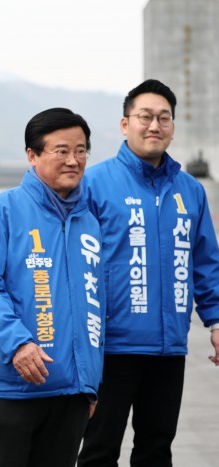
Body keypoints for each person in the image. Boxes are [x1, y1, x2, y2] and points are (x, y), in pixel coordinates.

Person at [78, 79, 219, 467]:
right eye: (145, 117)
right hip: (110, 347)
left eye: (163, 118)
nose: (154, 125)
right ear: (125, 124)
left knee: (157, 451)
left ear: (172, 126)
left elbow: (206, 261)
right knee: (98, 451)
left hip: (168, 348)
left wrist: (216, 320)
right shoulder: (94, 184)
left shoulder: (190, 190)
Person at [0, 108, 105, 467]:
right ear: (32, 155)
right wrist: (18, 344)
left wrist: (90, 382)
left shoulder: (89, 223)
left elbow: (94, 302)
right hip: (11, 389)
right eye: (61, 151)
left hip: (70, 394)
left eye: (81, 150)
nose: (73, 160)